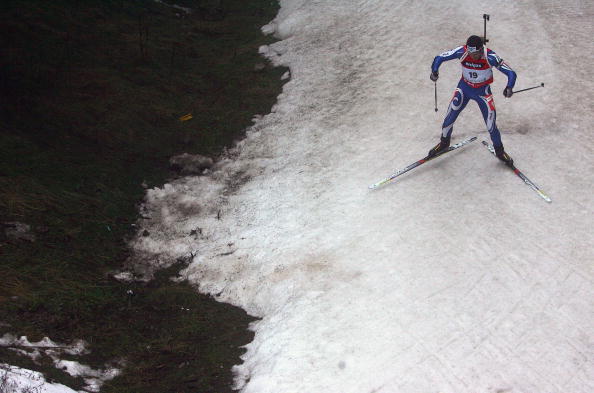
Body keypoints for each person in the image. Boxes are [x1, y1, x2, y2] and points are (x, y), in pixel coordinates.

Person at [429, 35, 516, 166]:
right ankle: (444, 142)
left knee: (491, 125)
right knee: (449, 118)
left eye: (475, 53)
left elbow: (511, 73)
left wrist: (509, 87)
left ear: (481, 49)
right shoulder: (462, 52)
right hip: (465, 88)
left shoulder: (490, 57)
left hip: (483, 93)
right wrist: (435, 71)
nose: (472, 56)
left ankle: (500, 151)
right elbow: (439, 57)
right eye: (470, 52)